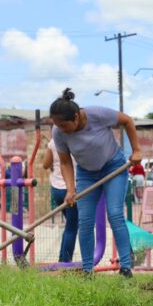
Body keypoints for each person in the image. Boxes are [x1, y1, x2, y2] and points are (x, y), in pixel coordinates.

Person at [49, 88, 141, 277]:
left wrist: (136, 150)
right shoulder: (58, 133)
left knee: (115, 214)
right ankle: (88, 270)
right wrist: (70, 189)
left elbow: (127, 121)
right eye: (57, 125)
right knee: (85, 220)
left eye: (64, 125)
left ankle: (125, 267)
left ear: (76, 117)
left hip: (113, 167)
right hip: (86, 174)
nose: (61, 130)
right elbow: (65, 162)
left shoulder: (97, 114)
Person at [42, 138, 78, 262]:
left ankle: (62, 259)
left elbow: (45, 164)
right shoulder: (77, 138)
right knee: (72, 227)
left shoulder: (54, 141)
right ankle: (65, 261)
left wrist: (55, 162)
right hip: (71, 188)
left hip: (57, 188)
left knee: (70, 225)